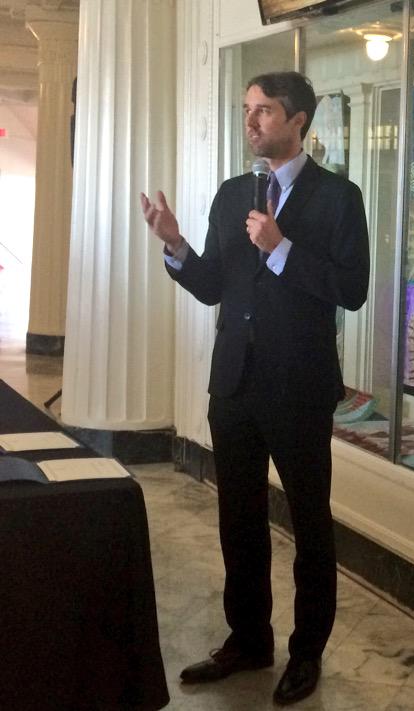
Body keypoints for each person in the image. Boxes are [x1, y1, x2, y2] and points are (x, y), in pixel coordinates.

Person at [140, 71, 369, 705]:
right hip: (234, 384)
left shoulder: (338, 197)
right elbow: (216, 285)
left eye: (264, 110)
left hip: (298, 388)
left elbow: (352, 290)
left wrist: (282, 247)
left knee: (309, 524)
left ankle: (306, 652)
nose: (251, 121)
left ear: (298, 121)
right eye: (247, 109)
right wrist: (175, 244)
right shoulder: (232, 193)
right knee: (238, 520)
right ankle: (248, 640)